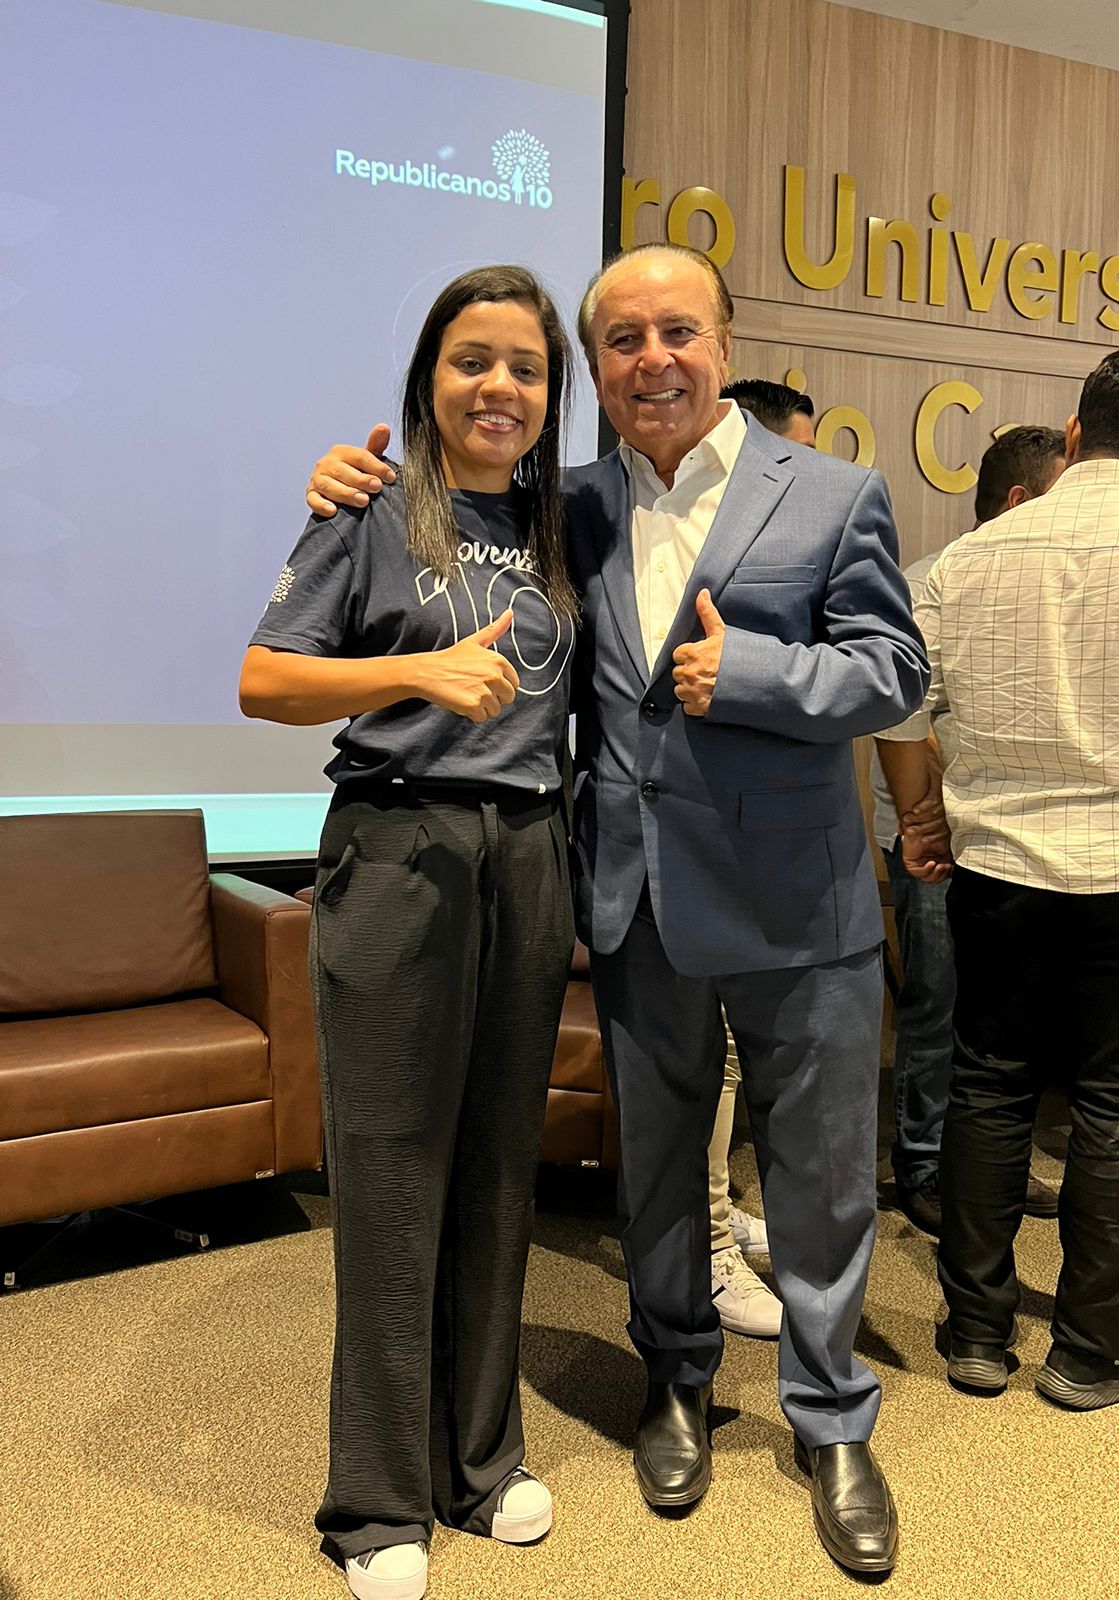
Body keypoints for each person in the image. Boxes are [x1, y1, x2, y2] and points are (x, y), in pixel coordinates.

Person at [307, 243, 928, 1577]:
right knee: (654, 1175)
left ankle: (832, 1419)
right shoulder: (566, 506)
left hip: (800, 906)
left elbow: (894, 671)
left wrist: (755, 673)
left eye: (679, 332)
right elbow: (445, 522)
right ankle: (676, 1380)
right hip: (637, 898)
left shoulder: (834, 493)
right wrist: (347, 480)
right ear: (596, 369)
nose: (655, 360)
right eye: (624, 341)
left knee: (820, 1182)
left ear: (725, 344)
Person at [239, 266, 578, 1600]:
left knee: (499, 1166)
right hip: (399, 846)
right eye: (471, 360)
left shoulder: (561, 524)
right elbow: (265, 678)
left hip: (529, 854)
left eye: (526, 368)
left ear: (551, 396)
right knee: (390, 1177)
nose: (499, 386)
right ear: (429, 379)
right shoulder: (371, 505)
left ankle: (480, 1461)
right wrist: (416, 672)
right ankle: (376, 1500)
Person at [890, 346, 1119, 1408]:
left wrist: (921, 814)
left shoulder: (968, 558)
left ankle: (975, 1333)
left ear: (1074, 434)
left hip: (1000, 869)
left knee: (987, 1087)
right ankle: (1089, 1352)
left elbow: (896, 699)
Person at [872, 427, 1067, 1236]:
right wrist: (935, 818)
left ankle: (996, 1164)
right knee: (938, 1004)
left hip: (1016, 838)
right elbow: (902, 717)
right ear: (1018, 501)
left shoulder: (1050, 586)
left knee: (1007, 1014)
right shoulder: (930, 583)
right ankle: (921, 1163)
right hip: (936, 838)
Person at [700, 379, 818, 1342]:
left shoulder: (821, 518)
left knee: (735, 1057)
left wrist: (749, 670)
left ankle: (716, 1212)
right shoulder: (626, 512)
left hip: (765, 853)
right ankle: (704, 1240)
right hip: (666, 852)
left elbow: (887, 670)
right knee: (703, 1059)